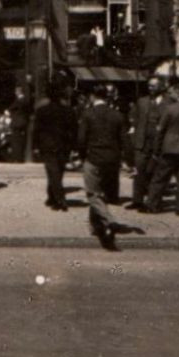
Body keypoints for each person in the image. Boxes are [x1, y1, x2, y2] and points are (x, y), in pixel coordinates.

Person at [78, 87, 127, 248]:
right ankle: (96, 226)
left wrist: (81, 156)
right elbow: (123, 140)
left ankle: (109, 220)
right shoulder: (117, 115)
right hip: (112, 160)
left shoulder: (88, 114)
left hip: (94, 158)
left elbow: (82, 139)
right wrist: (125, 160)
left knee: (93, 194)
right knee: (102, 194)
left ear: (92, 96)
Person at [145, 86, 179, 214]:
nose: (171, 95)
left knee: (160, 177)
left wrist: (156, 149)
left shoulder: (170, 109)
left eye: (172, 93)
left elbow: (161, 131)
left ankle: (152, 205)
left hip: (169, 148)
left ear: (178, 93)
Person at [32, 88, 76, 211]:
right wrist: (73, 146)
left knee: (52, 171)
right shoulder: (69, 111)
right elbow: (73, 130)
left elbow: (37, 130)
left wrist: (35, 146)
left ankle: (59, 199)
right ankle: (52, 196)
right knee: (58, 171)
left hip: (47, 145)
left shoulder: (42, 111)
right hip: (63, 145)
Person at [127, 77, 164, 211]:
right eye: (149, 86)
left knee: (155, 173)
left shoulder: (168, 103)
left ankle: (153, 202)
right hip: (142, 143)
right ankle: (137, 200)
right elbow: (133, 117)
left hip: (158, 144)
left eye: (154, 86)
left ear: (161, 87)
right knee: (139, 171)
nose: (151, 88)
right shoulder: (142, 101)